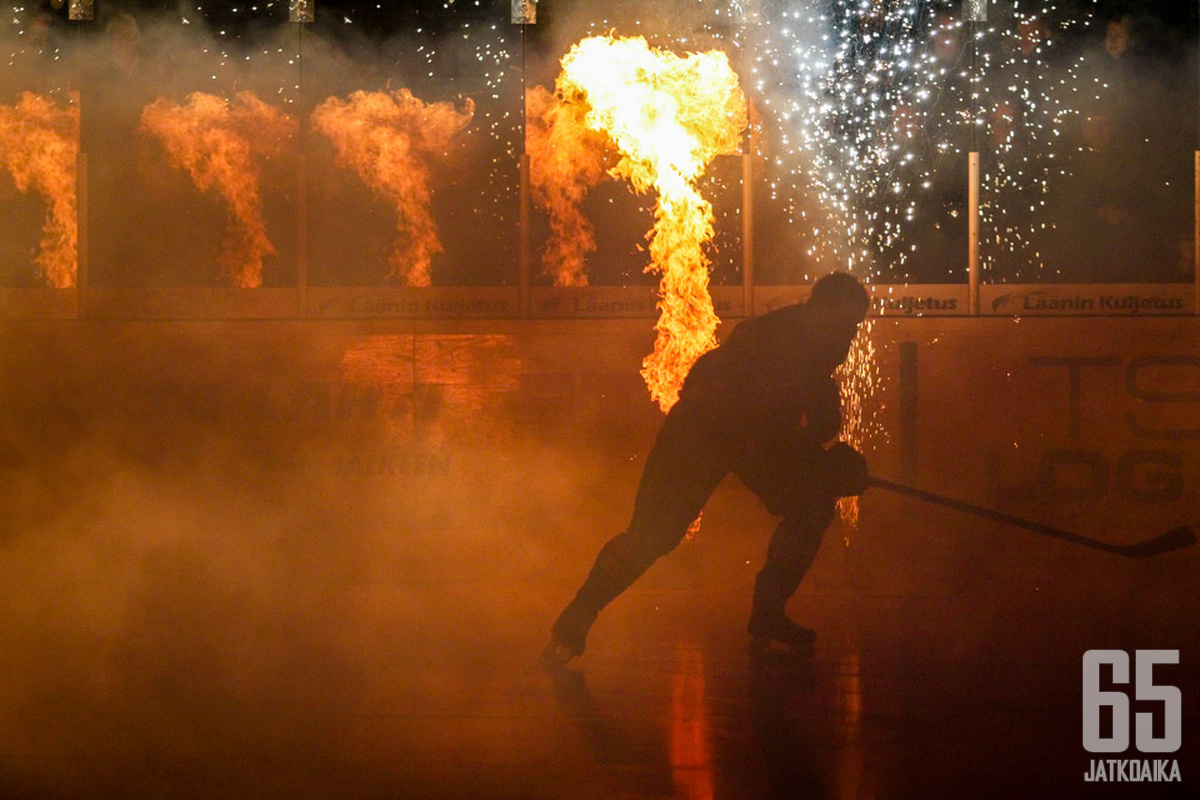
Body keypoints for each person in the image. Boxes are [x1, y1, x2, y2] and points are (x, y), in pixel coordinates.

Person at [544, 271, 872, 664]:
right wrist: (820, 463)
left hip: (744, 438)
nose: (851, 335)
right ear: (822, 310)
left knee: (812, 507)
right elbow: (757, 421)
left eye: (855, 326)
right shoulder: (774, 340)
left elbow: (808, 419)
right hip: (701, 431)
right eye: (847, 323)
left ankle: (768, 616)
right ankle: (576, 618)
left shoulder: (816, 349)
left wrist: (825, 457)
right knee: (654, 534)